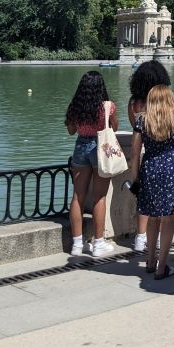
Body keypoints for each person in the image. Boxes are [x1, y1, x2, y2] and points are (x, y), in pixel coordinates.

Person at [129, 85, 174, 279]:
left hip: (150, 170)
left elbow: (135, 153)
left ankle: (150, 260)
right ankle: (162, 265)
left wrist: (135, 178)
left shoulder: (142, 120)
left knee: (153, 217)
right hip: (173, 170)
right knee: (168, 219)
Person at [65, 71, 119, 257]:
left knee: (77, 197)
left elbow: (71, 130)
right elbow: (114, 128)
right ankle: (98, 243)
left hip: (81, 146)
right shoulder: (107, 106)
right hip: (100, 148)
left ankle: (77, 244)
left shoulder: (75, 106)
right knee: (99, 197)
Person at [127, 61, 171, 253]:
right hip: (159, 153)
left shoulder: (134, 103)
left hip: (141, 151)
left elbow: (134, 128)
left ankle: (140, 237)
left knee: (143, 200)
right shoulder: (162, 103)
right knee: (161, 200)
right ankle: (158, 239)